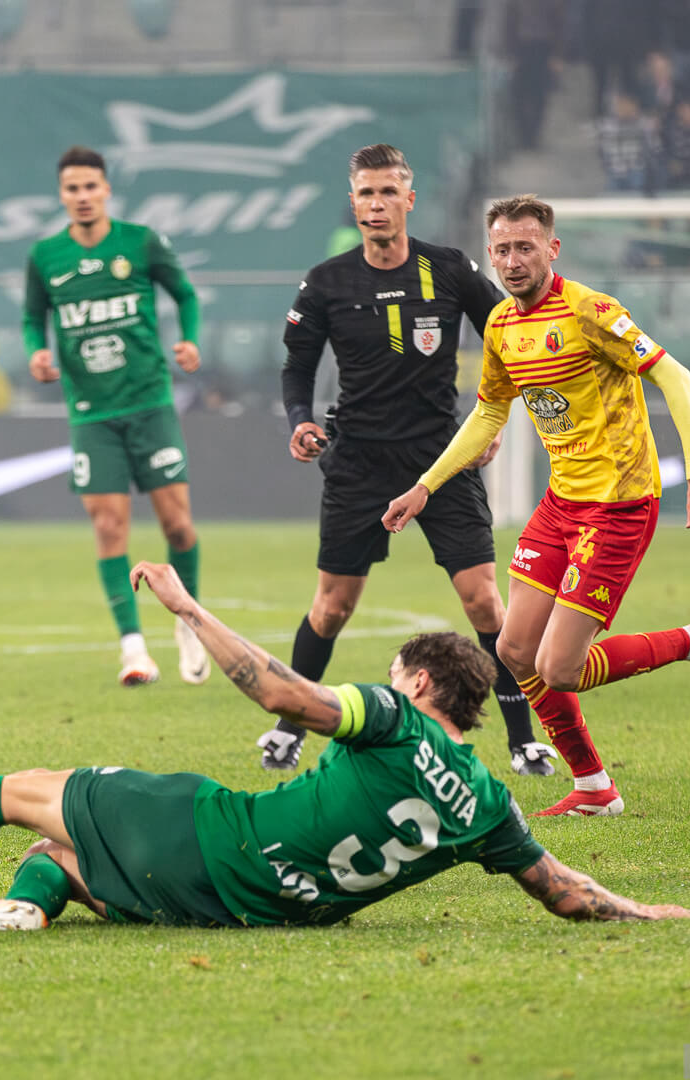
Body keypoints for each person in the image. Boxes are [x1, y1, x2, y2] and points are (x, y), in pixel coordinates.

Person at [0, 561, 690, 931]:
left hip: (216, 839)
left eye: (394, 672)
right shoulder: (489, 807)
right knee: (53, 853)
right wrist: (654, 914)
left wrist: (189, 610)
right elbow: (565, 893)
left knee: (32, 787)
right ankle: (23, 909)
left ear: (421, 685)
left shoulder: (391, 718)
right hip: (261, 912)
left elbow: (277, 691)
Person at [381, 195, 690, 818]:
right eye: (501, 249)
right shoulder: (500, 325)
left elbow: (675, 377)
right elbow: (490, 412)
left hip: (620, 503)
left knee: (559, 668)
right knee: (513, 652)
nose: (513, 260)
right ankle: (593, 788)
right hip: (562, 502)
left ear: (552, 249)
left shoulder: (591, 312)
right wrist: (426, 485)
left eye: (525, 247)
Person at [267, 144, 546, 776]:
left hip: (439, 461)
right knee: (332, 606)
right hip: (356, 460)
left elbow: (508, 333)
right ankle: (288, 727)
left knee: (483, 603)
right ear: (353, 202)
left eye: (388, 192)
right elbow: (297, 367)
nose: (376, 204)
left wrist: (492, 413)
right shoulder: (327, 281)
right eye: (366, 193)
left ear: (408, 201)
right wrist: (300, 421)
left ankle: (523, 741)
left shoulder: (446, 268)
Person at [22, 145, 207, 687]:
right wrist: (37, 350)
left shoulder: (140, 242)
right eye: (72, 188)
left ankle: (190, 622)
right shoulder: (45, 256)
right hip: (91, 411)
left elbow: (185, 293)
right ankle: (133, 650)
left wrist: (191, 339)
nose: (82, 197)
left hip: (150, 402)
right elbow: (34, 316)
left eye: (90, 187)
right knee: (108, 524)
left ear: (106, 190)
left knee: (177, 523)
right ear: (62, 195)